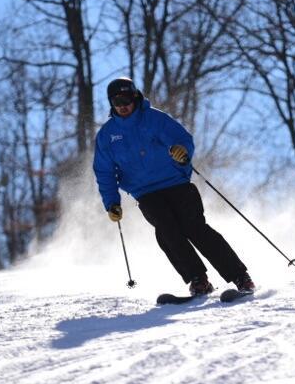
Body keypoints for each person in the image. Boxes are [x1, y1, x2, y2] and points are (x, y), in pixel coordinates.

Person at [93, 77, 255, 296]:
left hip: (176, 183)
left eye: (125, 99)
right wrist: (111, 202)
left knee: (194, 228)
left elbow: (182, 140)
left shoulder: (154, 119)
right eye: (115, 101)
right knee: (167, 231)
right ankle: (198, 279)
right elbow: (104, 172)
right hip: (146, 193)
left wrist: (182, 154)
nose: (121, 106)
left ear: (135, 97)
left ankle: (240, 276)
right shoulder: (106, 136)